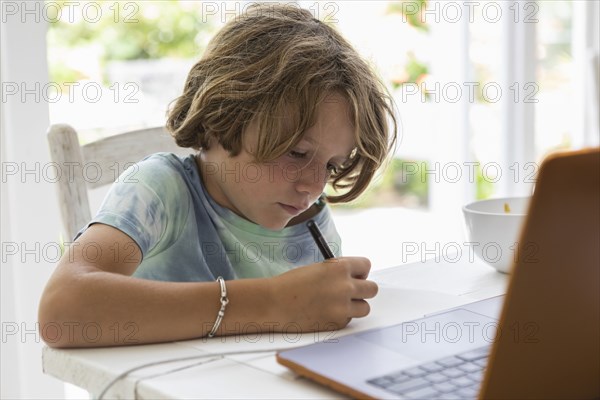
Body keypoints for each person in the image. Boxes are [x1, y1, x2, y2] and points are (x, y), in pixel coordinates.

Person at [38, 3, 397, 348]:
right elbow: (62, 310)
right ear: (221, 115)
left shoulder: (307, 218)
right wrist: (272, 303)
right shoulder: (159, 190)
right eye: (296, 152)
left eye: (331, 165)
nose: (314, 185)